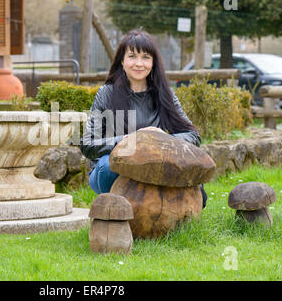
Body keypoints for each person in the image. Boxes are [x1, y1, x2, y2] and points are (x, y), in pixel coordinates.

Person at [80, 29, 207, 208]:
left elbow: (193, 136)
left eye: (146, 57)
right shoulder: (106, 94)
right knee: (107, 167)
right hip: (113, 168)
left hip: (153, 164)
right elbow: (87, 144)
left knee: (198, 192)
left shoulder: (165, 94)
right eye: (132, 56)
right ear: (122, 61)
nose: (139, 63)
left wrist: (158, 137)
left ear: (153, 62)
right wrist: (128, 140)